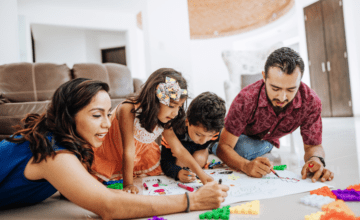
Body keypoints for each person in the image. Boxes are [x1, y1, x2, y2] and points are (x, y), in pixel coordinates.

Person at [0, 78, 229, 219]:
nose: (108, 125)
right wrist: (193, 201)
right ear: (69, 117)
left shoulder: (66, 144)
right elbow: (109, 207)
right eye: (97, 115)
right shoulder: (54, 154)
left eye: (108, 114)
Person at [210, 47, 334, 183]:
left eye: (291, 89)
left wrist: (315, 160)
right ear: (264, 77)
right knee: (238, 149)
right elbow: (225, 147)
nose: (282, 97)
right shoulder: (245, 99)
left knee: (244, 149)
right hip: (237, 134)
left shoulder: (310, 101)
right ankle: (211, 144)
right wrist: (245, 166)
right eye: (275, 88)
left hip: (267, 140)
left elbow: (313, 146)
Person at [92, 68, 214, 194]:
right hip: (112, 150)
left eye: (179, 106)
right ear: (155, 99)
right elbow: (128, 150)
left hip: (139, 153)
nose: (175, 113)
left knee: (163, 170)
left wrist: (202, 175)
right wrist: (128, 185)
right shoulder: (127, 109)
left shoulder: (166, 118)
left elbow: (178, 149)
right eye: (172, 106)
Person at [161, 92, 226, 182]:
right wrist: (178, 173)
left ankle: (205, 152)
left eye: (209, 136)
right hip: (180, 150)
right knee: (181, 163)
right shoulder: (174, 130)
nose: (203, 140)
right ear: (187, 121)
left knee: (199, 159)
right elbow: (165, 161)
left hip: (199, 151)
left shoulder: (214, 130)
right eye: (198, 134)